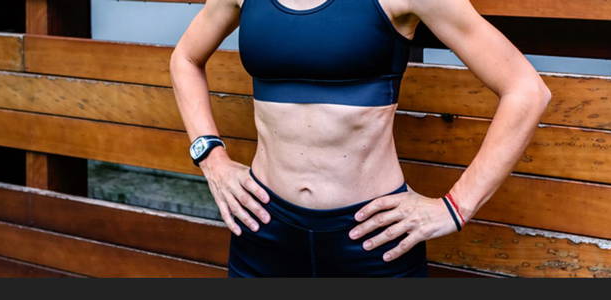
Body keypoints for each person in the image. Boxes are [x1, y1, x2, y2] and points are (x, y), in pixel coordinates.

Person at [169, 0, 551, 277]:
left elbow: (525, 90)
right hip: (263, 226)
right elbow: (185, 58)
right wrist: (211, 157)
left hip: (371, 237)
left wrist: (456, 206)